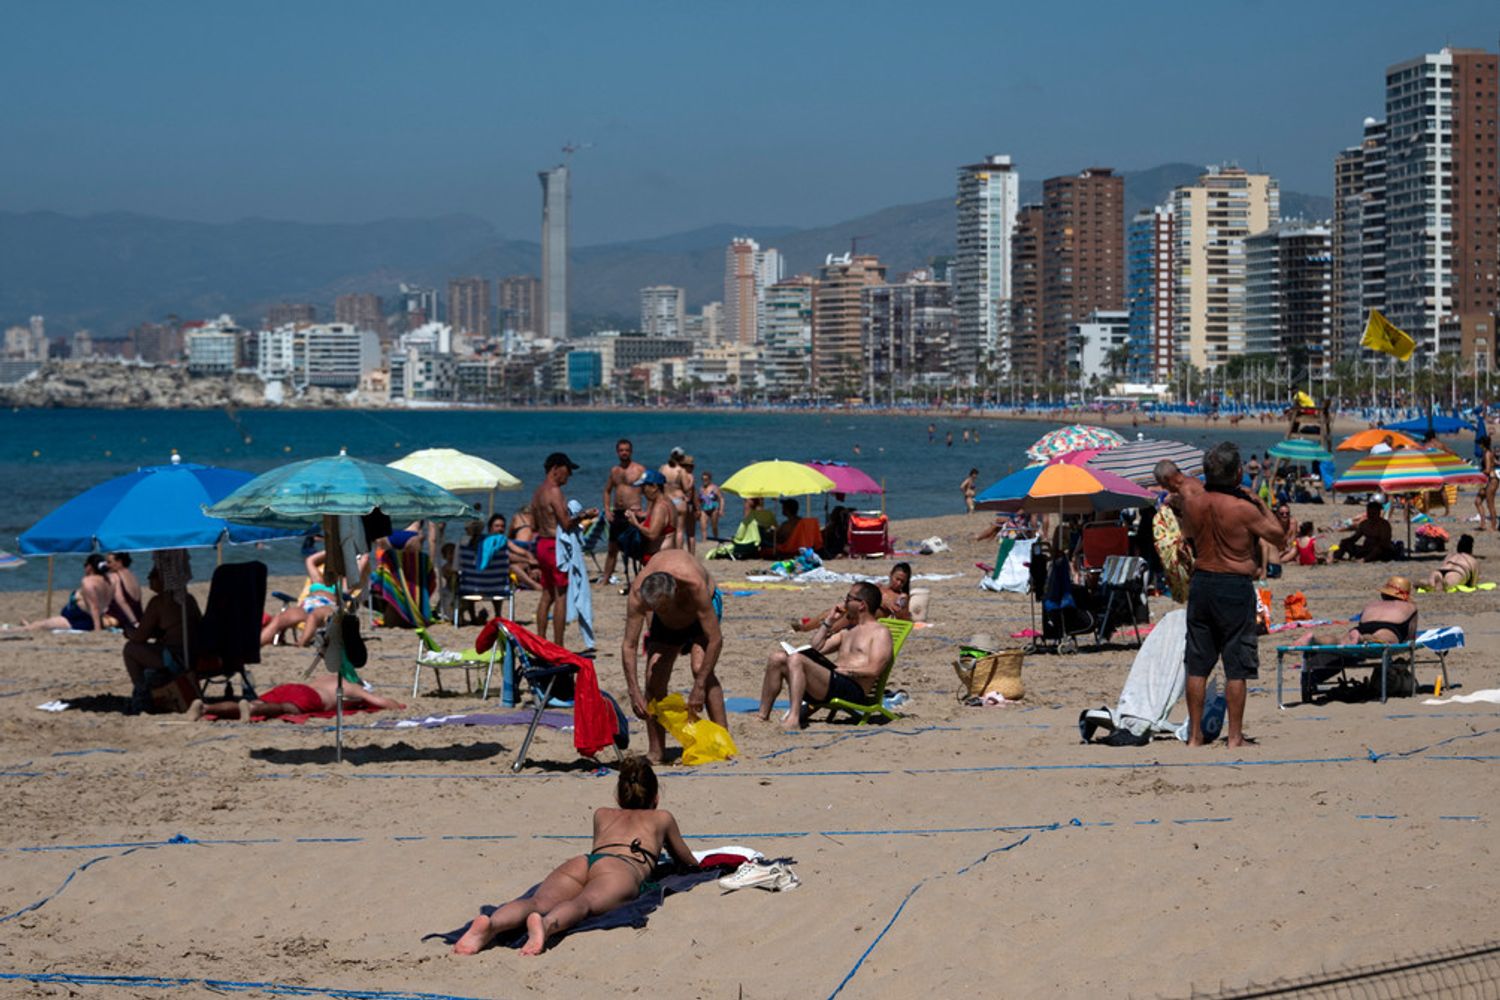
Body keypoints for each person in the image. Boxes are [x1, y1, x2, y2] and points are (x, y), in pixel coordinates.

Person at [452, 756, 696, 956]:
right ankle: (545, 926)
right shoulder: (661, 817)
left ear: (618, 797)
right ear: (656, 797)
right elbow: (685, 859)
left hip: (584, 862)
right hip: (621, 868)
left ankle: (491, 924)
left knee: (538, 901)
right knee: (583, 903)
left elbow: (600, 851)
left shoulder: (602, 814)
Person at [1179, 441, 1287, 748]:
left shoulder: (1193, 503)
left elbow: (1187, 535)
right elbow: (1278, 537)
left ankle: (1195, 735)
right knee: (1236, 664)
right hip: (1233, 584)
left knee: (1198, 663)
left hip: (1202, 582)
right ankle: (1235, 736)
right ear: (1238, 472)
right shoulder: (1244, 507)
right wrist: (1260, 502)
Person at [620, 550, 724, 763]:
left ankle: (723, 741)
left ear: (675, 590)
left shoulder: (693, 584)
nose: (660, 610)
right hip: (666, 626)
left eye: (663, 606)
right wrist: (633, 690)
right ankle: (657, 751)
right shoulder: (638, 594)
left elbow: (716, 640)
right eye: (655, 608)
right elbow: (629, 645)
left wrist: (699, 686)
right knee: (653, 677)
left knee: (699, 667)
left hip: (699, 614)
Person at [758, 580, 894, 733]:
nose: (845, 602)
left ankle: (794, 718)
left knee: (796, 659)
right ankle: (762, 716)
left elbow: (875, 669)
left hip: (852, 689)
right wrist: (829, 621)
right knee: (777, 658)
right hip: (834, 681)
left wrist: (847, 671)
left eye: (849, 598)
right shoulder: (848, 631)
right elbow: (815, 648)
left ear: (862, 605)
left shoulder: (880, 633)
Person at [1302, 576, 1419, 699]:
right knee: (1383, 638)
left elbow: (1364, 621)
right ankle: (1367, 639)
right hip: (1389, 627)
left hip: (1361, 628)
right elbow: (1410, 637)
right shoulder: (1410, 607)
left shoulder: (1372, 604)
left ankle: (1315, 639)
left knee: (1340, 641)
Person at [531, 452, 597, 647]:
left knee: (546, 595)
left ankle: (541, 641)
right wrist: (586, 514)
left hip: (542, 545)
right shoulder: (554, 491)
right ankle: (558, 645)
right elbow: (566, 523)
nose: (569, 476)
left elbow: (534, 525)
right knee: (561, 596)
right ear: (556, 469)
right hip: (555, 547)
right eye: (567, 471)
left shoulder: (537, 493)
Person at [123, 567, 203, 715]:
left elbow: (140, 636)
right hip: (194, 653)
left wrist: (129, 632)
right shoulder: (188, 598)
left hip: (177, 659)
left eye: (153, 575)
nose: (148, 578)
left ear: (164, 579)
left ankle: (142, 693)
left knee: (130, 649)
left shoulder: (159, 602)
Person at [186, 670, 404, 721]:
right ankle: (250, 710)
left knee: (257, 701)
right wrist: (398, 705)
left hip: (292, 686)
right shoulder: (349, 687)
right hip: (309, 697)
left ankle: (206, 708)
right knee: (284, 709)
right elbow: (383, 703)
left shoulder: (329, 676)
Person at [791, 562, 912, 632]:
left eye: (902, 581)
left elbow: (903, 617)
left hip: (867, 617)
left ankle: (828, 631)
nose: (899, 583)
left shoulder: (901, 597)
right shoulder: (879, 586)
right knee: (835, 610)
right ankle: (805, 627)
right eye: (897, 579)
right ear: (891, 575)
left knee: (848, 614)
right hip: (858, 608)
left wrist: (889, 605)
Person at [260, 552, 344, 647]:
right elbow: (310, 560)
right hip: (307, 605)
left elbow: (362, 562)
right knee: (279, 619)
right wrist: (332, 548)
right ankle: (256, 645)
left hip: (328, 605)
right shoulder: (318, 580)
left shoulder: (343, 582)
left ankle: (301, 643)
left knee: (313, 617)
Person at [22, 555, 113, 631]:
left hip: (77, 621)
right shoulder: (108, 581)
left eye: (85, 565)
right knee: (41, 624)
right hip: (82, 619)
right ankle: (28, 625)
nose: (84, 568)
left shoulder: (88, 582)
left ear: (89, 567)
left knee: (40, 625)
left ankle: (13, 630)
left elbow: (94, 607)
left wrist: (97, 629)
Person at [601, 438, 646, 586]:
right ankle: (606, 578)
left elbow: (652, 490)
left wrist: (646, 511)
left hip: (633, 513)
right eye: (621, 450)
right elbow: (607, 491)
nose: (624, 453)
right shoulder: (615, 471)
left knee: (637, 547)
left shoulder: (639, 469)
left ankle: (642, 576)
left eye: (626, 450)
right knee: (612, 548)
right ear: (617, 452)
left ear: (631, 451)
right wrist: (607, 509)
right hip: (617, 513)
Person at [627, 470, 676, 561]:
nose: (642, 492)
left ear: (654, 487)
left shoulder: (660, 507)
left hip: (659, 557)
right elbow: (660, 523)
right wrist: (640, 516)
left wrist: (635, 523)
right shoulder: (667, 502)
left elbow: (652, 534)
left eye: (643, 487)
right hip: (665, 554)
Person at [1330, 501, 1397, 563]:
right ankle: (1336, 557)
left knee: (1378, 549)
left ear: (1379, 513)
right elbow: (1355, 538)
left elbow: (1384, 543)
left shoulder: (1384, 525)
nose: (1371, 515)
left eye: (1373, 513)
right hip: (1366, 549)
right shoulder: (1364, 524)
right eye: (1369, 513)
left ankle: (1364, 560)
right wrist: (1345, 542)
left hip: (1382, 551)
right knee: (1344, 542)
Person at [659, 447, 694, 551]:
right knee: (679, 531)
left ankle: (669, 552)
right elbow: (686, 488)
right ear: (682, 458)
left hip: (667, 501)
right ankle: (679, 553)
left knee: (669, 531)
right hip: (679, 501)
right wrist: (691, 480)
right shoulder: (681, 470)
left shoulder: (663, 468)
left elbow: (658, 484)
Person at [508, 507, 544, 591]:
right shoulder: (536, 519)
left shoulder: (517, 517)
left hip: (520, 543)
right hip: (533, 545)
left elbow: (510, 534)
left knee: (511, 557)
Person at [105, 552, 144, 629]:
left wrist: (134, 622)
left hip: (122, 618)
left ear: (119, 562)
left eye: (109, 562)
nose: (107, 565)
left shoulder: (114, 576)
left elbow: (121, 601)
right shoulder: (132, 575)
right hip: (138, 615)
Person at [1477, 436, 1498, 531]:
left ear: (1482, 444)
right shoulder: (1488, 452)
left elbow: (1488, 470)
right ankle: (1483, 523)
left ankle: (1493, 526)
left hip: (1492, 480)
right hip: (1488, 481)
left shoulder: (1487, 454)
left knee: (1490, 503)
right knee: (1477, 501)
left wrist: (1477, 473)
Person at [698, 470, 722, 541]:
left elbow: (721, 498)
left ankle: (716, 539)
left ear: (709, 479)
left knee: (714, 526)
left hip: (714, 508)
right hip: (704, 509)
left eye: (706, 479)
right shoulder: (701, 489)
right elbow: (699, 500)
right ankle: (704, 541)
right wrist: (697, 509)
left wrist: (721, 509)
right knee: (703, 527)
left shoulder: (715, 488)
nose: (704, 481)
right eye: (703, 479)